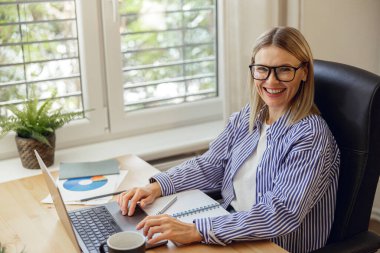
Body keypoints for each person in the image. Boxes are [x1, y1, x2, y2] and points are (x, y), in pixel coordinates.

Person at [117, 26, 340, 253]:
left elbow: (279, 214)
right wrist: (156, 187)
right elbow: (211, 165)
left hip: (273, 246)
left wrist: (198, 230)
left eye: (284, 70)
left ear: (304, 72)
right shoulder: (249, 117)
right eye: (262, 69)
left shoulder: (310, 137)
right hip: (231, 227)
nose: (271, 81)